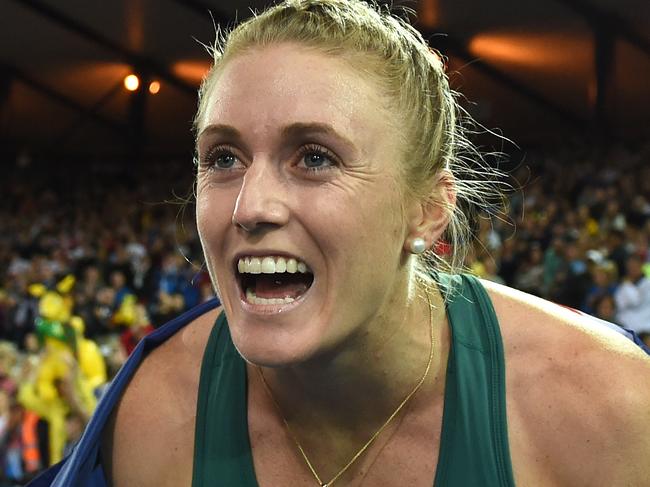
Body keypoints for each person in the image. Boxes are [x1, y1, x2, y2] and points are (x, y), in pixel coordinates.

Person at [30, 1, 650, 486]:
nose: (250, 207)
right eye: (223, 157)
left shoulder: (602, 409)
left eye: (315, 157)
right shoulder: (153, 416)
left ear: (428, 210)